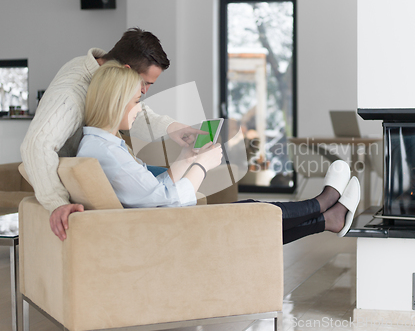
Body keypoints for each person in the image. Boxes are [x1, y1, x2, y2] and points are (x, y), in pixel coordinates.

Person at [76, 62, 362, 244]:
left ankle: (328, 218)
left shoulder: (104, 146)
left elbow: (155, 189)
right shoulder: (106, 153)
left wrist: (186, 157)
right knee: (254, 214)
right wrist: (200, 165)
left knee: (253, 211)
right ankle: (324, 205)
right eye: (137, 101)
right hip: (165, 229)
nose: (140, 110)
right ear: (116, 102)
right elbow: (163, 199)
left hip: (161, 223)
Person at [21, 28, 204, 241]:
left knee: (177, 174)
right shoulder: (70, 94)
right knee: (178, 185)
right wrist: (57, 203)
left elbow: (123, 108)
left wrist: (172, 127)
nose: (144, 92)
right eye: (145, 83)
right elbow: (36, 144)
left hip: (106, 160)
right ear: (125, 71)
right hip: (96, 170)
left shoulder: (96, 71)